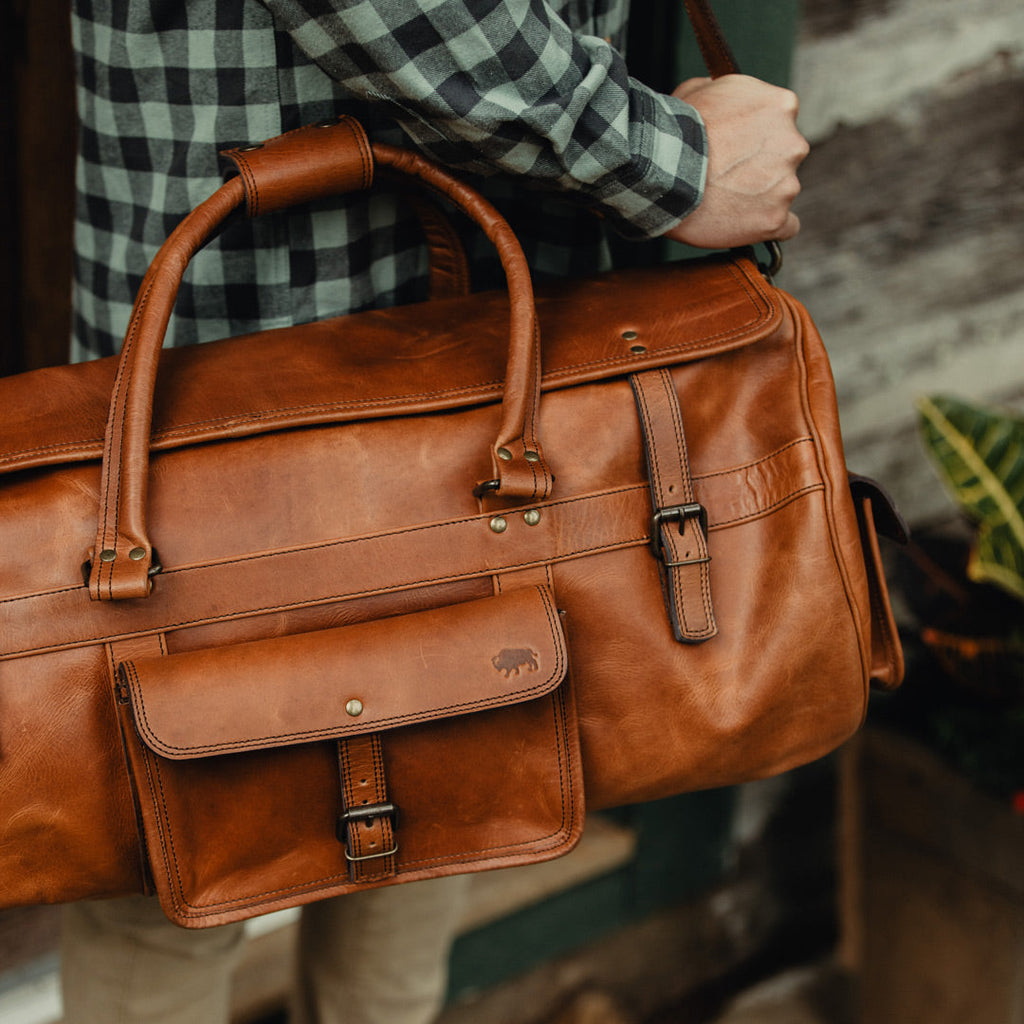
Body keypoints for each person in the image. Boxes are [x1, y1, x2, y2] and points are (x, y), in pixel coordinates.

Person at [63, 2, 807, 1022]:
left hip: (487, 317)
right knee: (169, 846)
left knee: (454, 773)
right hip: (238, 334)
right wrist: (655, 157)